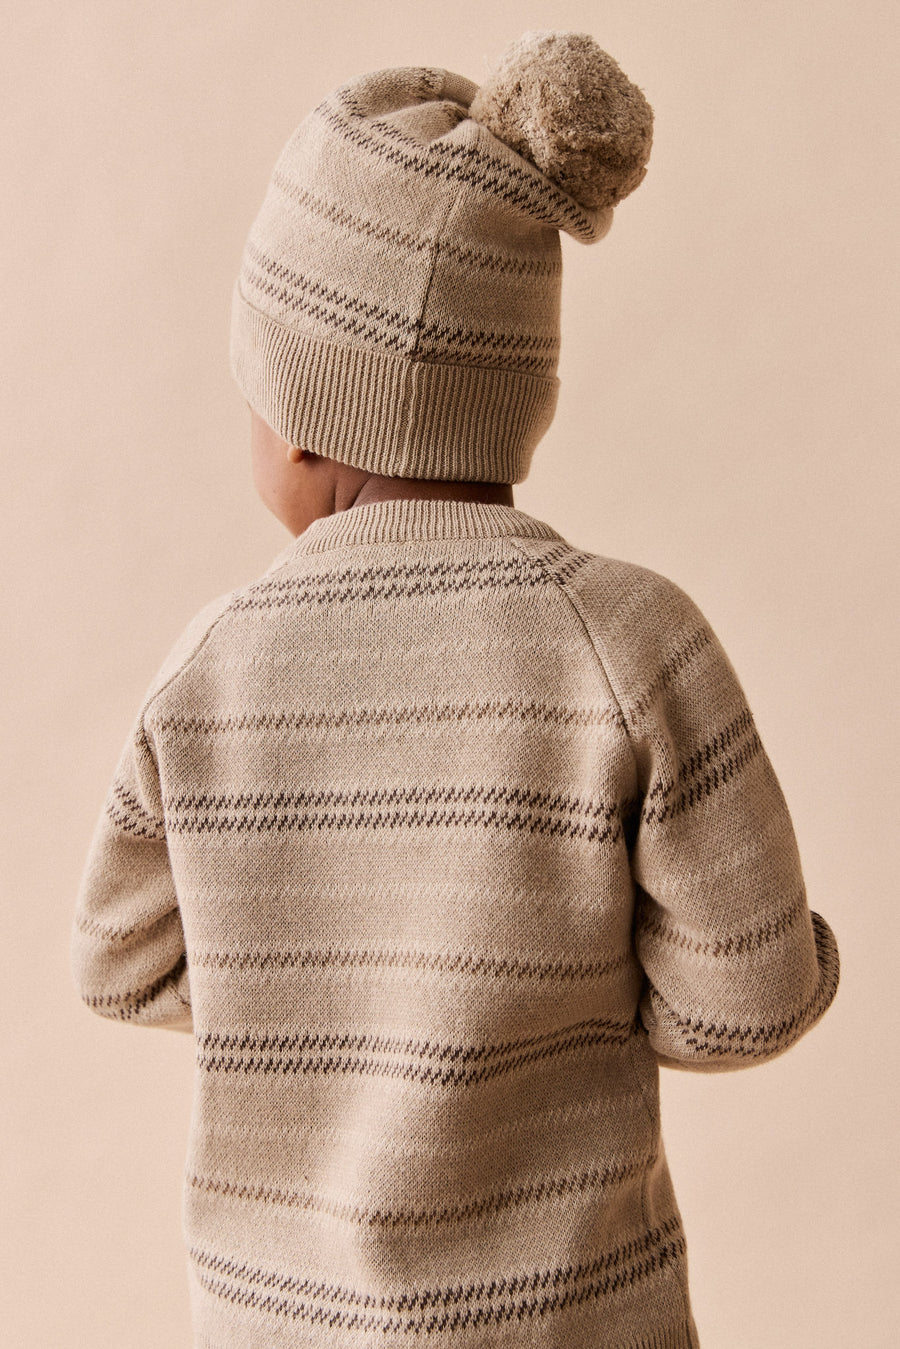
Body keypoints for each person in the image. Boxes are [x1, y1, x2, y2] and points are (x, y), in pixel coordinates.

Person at [72, 31, 839, 1348]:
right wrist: (563, 991)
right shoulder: (631, 643)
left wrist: (312, 990)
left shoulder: (213, 671)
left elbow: (116, 963)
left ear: (299, 420)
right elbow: (751, 998)